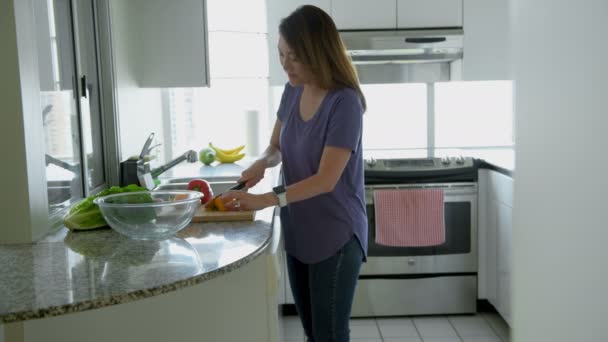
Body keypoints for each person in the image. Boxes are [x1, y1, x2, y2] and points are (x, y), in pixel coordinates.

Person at [219, 5, 368, 342]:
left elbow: (326, 180)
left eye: (294, 57)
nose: (285, 65)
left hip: (337, 234)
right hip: (300, 229)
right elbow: (276, 147)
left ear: (318, 53)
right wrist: (261, 162)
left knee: (328, 335)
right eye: (281, 54)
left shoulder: (345, 103)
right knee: (312, 332)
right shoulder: (293, 89)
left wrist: (264, 200)